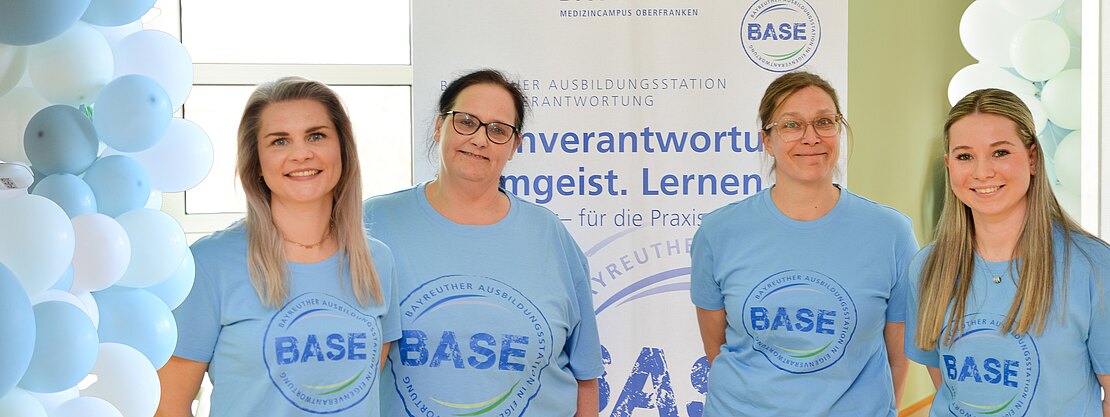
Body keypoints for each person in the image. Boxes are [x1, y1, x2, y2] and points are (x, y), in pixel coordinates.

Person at [363, 69, 602, 417]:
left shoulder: (550, 235)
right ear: (438, 126)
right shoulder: (374, 223)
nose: (479, 139)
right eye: (466, 122)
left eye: (498, 130)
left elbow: (585, 376)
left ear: (514, 146)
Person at [157, 76, 400, 416]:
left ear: (342, 150)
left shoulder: (377, 261)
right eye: (279, 141)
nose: (301, 154)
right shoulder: (211, 263)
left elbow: (359, 392)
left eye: (316, 136)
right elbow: (168, 407)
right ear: (256, 163)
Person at [690, 71, 916, 416]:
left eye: (824, 122)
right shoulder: (719, 232)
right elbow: (716, 348)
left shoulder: (892, 233)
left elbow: (898, 357)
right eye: (791, 125)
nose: (811, 137)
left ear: (838, 130)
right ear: (767, 141)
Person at [906, 88, 1110, 416]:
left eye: (1000, 152)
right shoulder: (928, 267)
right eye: (964, 156)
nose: (982, 172)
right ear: (949, 165)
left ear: (1032, 158)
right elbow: (951, 388)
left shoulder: (1094, 266)